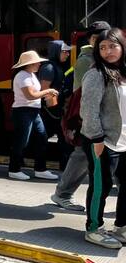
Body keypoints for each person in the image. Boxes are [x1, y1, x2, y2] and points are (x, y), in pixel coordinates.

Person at [52, 21, 111, 211]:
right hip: (92, 116)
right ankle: (63, 193)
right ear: (91, 40)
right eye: (96, 37)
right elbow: (85, 94)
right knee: (83, 155)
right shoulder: (87, 61)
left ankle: (63, 193)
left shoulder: (107, 57)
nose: (101, 40)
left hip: (109, 115)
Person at [80, 28, 126, 249]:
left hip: (124, 141)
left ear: (122, 47)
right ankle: (94, 228)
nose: (108, 51)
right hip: (102, 141)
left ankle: (121, 226)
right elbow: (89, 111)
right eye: (103, 47)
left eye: (113, 46)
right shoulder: (96, 74)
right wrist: (97, 139)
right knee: (102, 185)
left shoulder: (123, 72)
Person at [8, 51, 59, 181]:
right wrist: (48, 91)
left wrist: (46, 94)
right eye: (36, 62)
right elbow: (30, 95)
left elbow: (35, 94)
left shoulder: (30, 75)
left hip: (33, 111)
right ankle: (14, 170)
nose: (39, 64)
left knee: (42, 138)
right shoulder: (22, 76)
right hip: (23, 111)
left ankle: (40, 169)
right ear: (29, 64)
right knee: (21, 141)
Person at [39, 40, 73, 169]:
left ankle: (64, 167)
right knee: (42, 139)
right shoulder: (49, 68)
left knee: (63, 140)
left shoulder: (57, 66)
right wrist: (55, 109)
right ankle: (40, 167)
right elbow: (45, 90)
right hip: (50, 111)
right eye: (64, 51)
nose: (67, 54)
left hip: (56, 110)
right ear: (56, 52)